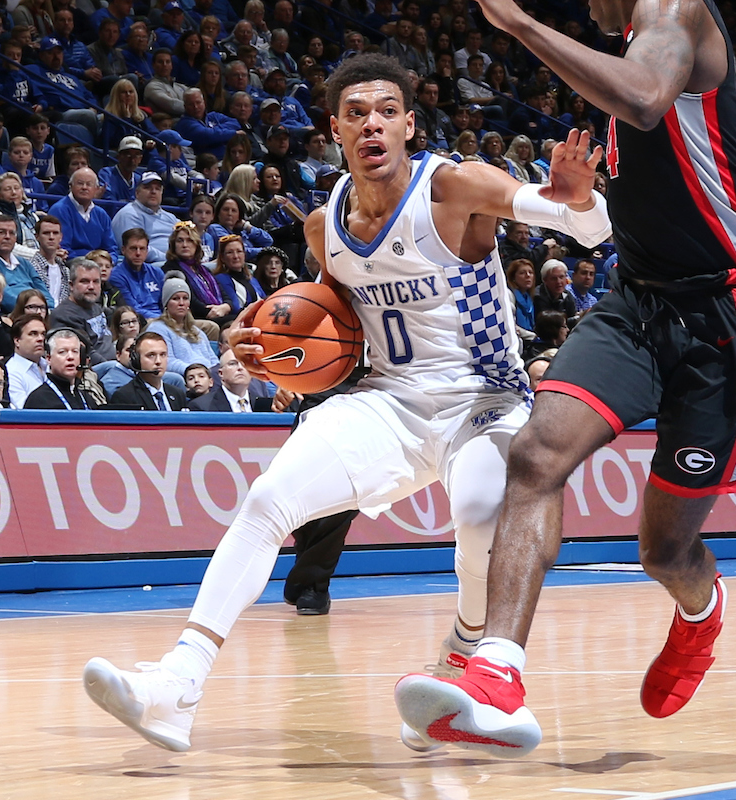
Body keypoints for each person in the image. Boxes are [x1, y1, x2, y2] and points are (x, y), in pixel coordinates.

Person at [81, 53, 614, 753]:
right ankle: (177, 683)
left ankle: (463, 666)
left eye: (387, 112)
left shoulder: (454, 186)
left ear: (408, 124)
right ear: (334, 127)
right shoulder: (323, 226)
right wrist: (268, 347)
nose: (373, 124)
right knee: (268, 499)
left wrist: (581, 198)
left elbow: (590, 231)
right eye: (357, 113)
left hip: (482, 399)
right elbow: (335, 334)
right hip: (387, 400)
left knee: (484, 521)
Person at [393, 0, 736, 757]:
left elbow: (643, 102)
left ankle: (701, 614)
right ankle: (496, 677)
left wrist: (519, 26)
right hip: (637, 300)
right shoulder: (644, 45)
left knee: (663, 552)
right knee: (537, 454)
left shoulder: (676, 12)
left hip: (727, 314)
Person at [47, 257, 118, 365]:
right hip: (96, 371)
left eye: (96, 282)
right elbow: (87, 354)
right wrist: (116, 367)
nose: (91, 287)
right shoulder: (64, 315)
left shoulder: (95, 306)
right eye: (84, 281)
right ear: (71, 285)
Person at [146, 272, 219, 376]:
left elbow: (213, 359)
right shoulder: (158, 328)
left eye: (185, 298)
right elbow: (166, 361)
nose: (181, 303)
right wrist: (195, 372)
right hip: (186, 377)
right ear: (166, 303)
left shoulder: (197, 331)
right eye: (175, 298)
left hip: (208, 376)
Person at [0, 214, 49, 314]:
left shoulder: (24, 263)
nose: (7, 237)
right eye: (1, 232)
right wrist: (33, 309)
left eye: (12, 233)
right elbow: (6, 298)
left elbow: (44, 291)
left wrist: (49, 309)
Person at [48, 169, 119, 259]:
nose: (84, 187)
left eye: (89, 184)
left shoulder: (101, 214)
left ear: (96, 189)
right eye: (80, 183)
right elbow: (62, 248)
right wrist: (92, 262)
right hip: (71, 264)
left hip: (99, 264)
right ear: (71, 186)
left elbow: (111, 249)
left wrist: (110, 261)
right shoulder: (59, 210)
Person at [109, 331, 188, 410]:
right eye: (151, 355)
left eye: (163, 354)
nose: (158, 361)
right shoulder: (124, 396)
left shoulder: (177, 394)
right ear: (136, 359)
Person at [23, 327, 100, 409]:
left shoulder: (86, 398)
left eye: (75, 351)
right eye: (62, 352)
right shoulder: (38, 399)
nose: (70, 357)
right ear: (49, 358)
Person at [6, 313, 47, 410]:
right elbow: (24, 411)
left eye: (43, 334)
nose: (41, 339)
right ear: (17, 341)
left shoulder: (50, 365)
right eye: (33, 334)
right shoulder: (11, 372)